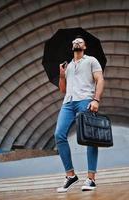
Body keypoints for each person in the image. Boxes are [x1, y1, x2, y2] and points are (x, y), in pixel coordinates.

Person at [54, 36, 105, 193]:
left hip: (85, 101)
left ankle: (91, 178)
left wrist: (96, 100)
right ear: (72, 47)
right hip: (68, 103)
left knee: (90, 137)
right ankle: (70, 175)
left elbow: (100, 79)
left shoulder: (91, 61)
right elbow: (63, 90)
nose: (76, 43)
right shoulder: (67, 67)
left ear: (85, 46)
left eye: (80, 41)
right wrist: (62, 75)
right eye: (74, 42)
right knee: (59, 135)